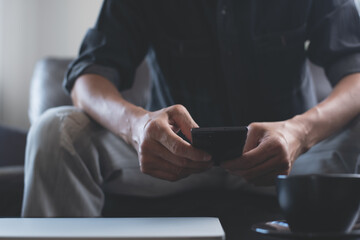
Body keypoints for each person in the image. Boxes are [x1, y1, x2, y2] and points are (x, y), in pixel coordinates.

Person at [22, 0, 360, 217]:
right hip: (170, 159)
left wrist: (299, 132)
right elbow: (89, 76)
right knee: (56, 131)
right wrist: (137, 127)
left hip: (289, 161)